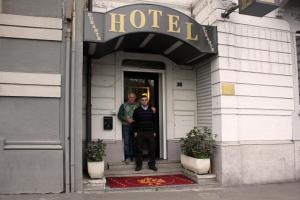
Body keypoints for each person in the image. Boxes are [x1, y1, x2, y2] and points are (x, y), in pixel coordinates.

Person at [132, 95, 157, 171]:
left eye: (145, 100)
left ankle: (152, 165)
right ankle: (139, 165)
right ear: (140, 101)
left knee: (152, 148)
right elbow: (134, 122)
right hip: (140, 132)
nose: (144, 101)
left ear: (147, 101)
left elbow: (154, 121)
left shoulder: (151, 110)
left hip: (150, 132)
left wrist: (154, 131)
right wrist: (135, 131)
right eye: (142, 100)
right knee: (139, 149)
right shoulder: (137, 110)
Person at [118, 92, 140, 164]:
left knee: (134, 142)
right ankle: (127, 157)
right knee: (127, 142)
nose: (132, 98)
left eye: (133, 97)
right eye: (130, 97)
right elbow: (119, 115)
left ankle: (133, 156)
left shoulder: (138, 105)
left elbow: (142, 113)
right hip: (126, 126)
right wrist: (126, 119)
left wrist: (135, 119)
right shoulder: (123, 105)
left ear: (135, 98)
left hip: (135, 126)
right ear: (128, 97)